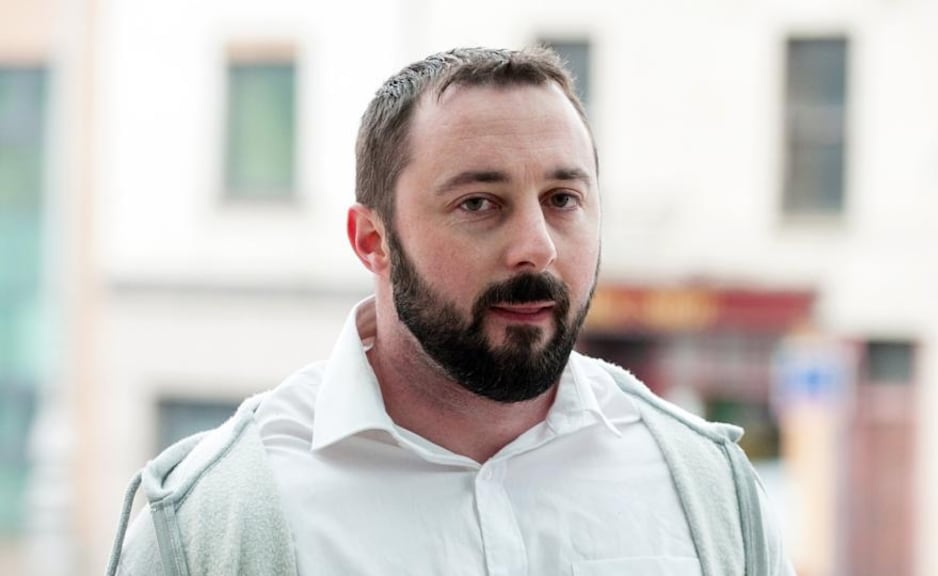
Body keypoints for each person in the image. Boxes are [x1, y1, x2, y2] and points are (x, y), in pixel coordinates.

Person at [106, 46, 793, 576]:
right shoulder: (216, 519)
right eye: (478, 204)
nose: (536, 247)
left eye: (563, 199)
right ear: (372, 240)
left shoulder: (707, 489)